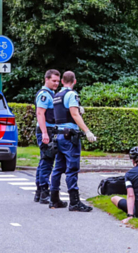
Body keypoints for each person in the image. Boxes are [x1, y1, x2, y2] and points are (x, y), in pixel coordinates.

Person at [49, 71, 97, 212]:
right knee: (72, 169)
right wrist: (87, 131)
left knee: (58, 168)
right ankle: (74, 202)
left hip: (59, 135)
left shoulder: (57, 96)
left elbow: (62, 113)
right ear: (74, 81)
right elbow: (74, 114)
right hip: (69, 136)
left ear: (62, 81)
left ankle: (54, 199)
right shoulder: (71, 95)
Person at [33, 69, 61, 205]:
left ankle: (39, 192)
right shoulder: (44, 95)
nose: (56, 83)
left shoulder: (51, 94)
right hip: (46, 130)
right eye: (53, 81)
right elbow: (40, 113)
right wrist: (44, 133)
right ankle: (44, 192)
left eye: (58, 81)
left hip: (48, 130)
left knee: (45, 160)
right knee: (47, 161)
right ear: (46, 79)